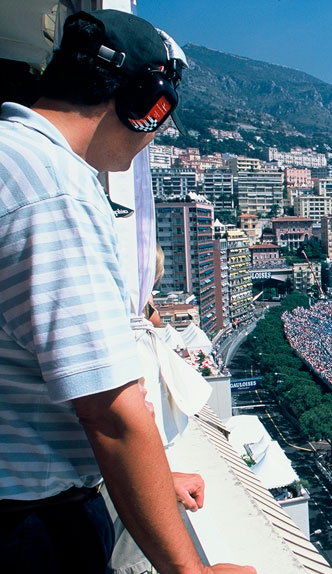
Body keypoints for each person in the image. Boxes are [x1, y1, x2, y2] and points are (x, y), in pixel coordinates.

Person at [0, 9, 253, 574]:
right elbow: (109, 412)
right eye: (162, 116)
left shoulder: (10, 158)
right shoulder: (54, 191)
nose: (155, 138)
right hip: (29, 529)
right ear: (144, 104)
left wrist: (155, 484)